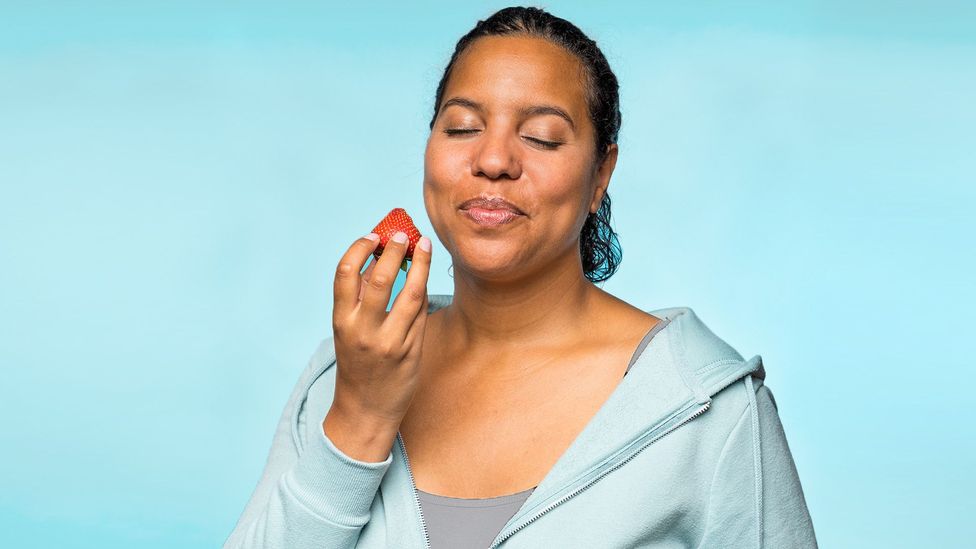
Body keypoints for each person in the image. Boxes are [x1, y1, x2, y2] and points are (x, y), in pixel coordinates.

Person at [223, 6, 818, 548]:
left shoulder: (709, 409)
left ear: (601, 172)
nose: (494, 160)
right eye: (461, 127)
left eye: (541, 137)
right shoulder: (343, 375)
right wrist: (360, 416)